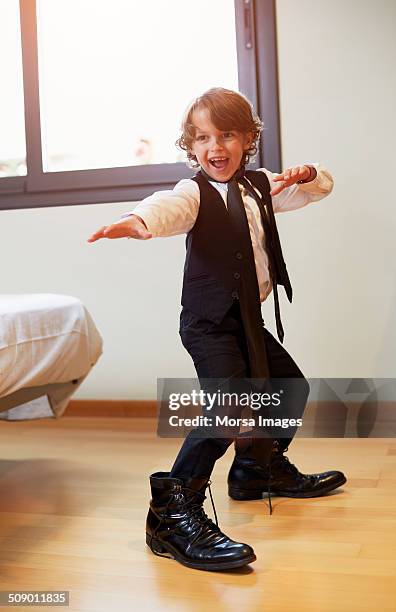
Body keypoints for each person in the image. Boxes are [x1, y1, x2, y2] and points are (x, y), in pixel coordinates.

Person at [88, 87, 346, 572]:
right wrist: (135, 221)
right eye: (203, 137)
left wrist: (310, 174)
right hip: (209, 323)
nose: (216, 146)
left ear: (248, 138)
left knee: (290, 388)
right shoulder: (194, 192)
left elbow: (318, 189)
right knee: (229, 404)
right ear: (191, 147)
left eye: (227, 134)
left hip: (246, 319)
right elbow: (166, 207)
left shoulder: (259, 186)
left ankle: (256, 469)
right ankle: (172, 513)